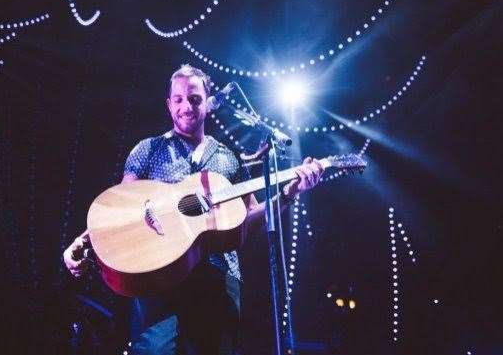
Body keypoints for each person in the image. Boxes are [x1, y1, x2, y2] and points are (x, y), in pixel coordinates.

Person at [63, 64, 323, 354]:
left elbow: (248, 220)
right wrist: (85, 240)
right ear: (169, 104)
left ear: (207, 102)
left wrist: (287, 195)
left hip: (218, 279)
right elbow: (120, 207)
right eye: (179, 99)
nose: (187, 106)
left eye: (195, 98)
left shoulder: (229, 158)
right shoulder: (147, 150)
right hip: (158, 276)